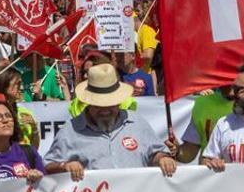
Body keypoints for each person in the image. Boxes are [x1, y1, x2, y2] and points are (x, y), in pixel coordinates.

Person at [44, 64, 177, 180]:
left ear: (119, 101)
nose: (105, 109)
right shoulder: (71, 130)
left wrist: (162, 158)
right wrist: (64, 166)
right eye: (98, 104)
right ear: (88, 102)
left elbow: (155, 152)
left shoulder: (136, 122)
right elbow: (47, 166)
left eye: (111, 104)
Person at [0, 64, 40, 148]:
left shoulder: (24, 113)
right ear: (3, 85)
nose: (21, 87)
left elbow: (34, 148)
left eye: (21, 83)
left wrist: (34, 130)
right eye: (17, 84)